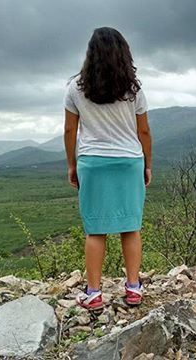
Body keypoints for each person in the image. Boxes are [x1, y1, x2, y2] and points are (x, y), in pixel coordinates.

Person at [63, 27, 152, 311]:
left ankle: (93, 293)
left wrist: (72, 165)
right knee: (130, 227)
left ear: (91, 55)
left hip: (93, 162)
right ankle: (134, 289)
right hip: (129, 161)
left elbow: (69, 130)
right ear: (123, 54)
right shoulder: (133, 89)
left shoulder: (75, 89)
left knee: (95, 230)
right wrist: (147, 164)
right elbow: (145, 132)